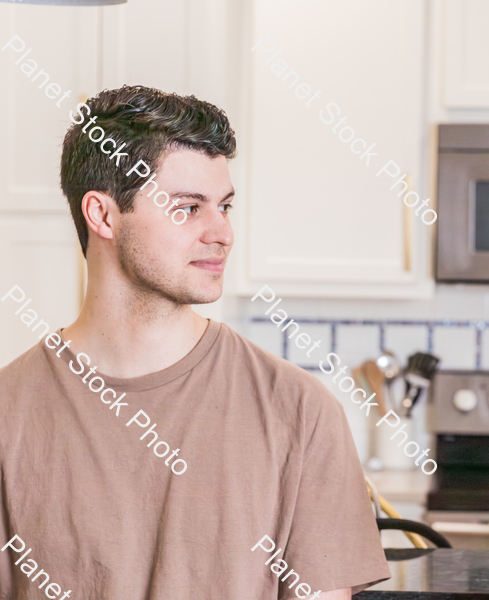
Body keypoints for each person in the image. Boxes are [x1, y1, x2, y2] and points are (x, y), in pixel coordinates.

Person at [0, 85, 389, 599]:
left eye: (225, 206)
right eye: (188, 208)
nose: (222, 232)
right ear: (103, 215)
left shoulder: (300, 412)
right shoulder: (10, 411)